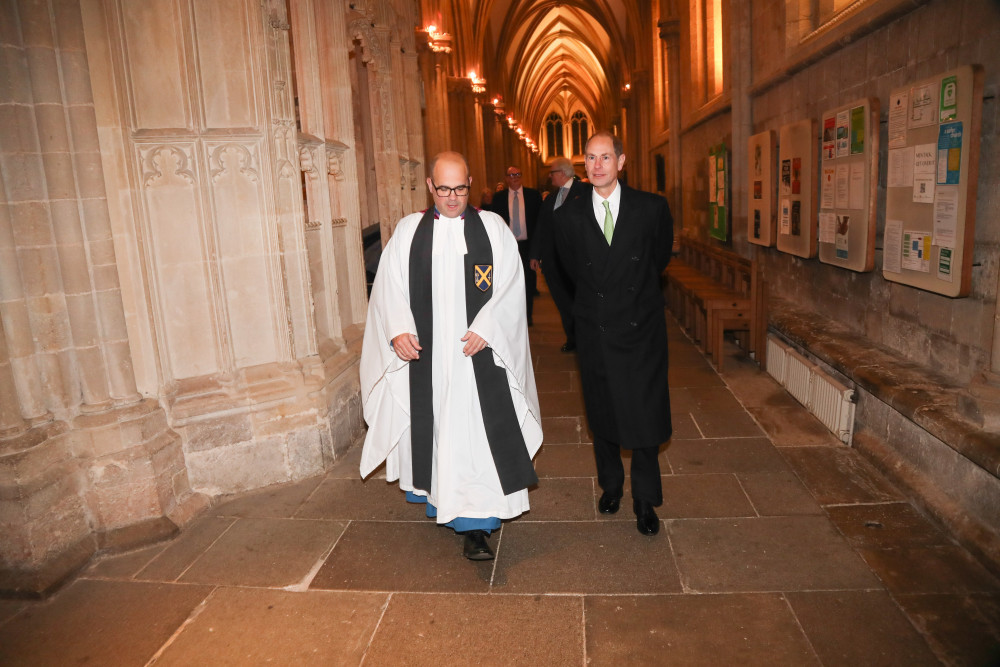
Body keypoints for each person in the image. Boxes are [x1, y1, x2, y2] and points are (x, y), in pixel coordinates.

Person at [359, 151, 542, 561]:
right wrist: (398, 330)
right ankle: (445, 501)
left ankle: (477, 526)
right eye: (444, 189)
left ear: (470, 183)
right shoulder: (409, 232)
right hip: (431, 360)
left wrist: (487, 326)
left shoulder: (493, 230)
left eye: (460, 188)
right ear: (430, 186)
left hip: (479, 359)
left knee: (478, 438)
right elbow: (388, 290)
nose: (453, 197)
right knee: (440, 433)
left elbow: (512, 287)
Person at [553, 131, 673, 536]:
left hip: (641, 329)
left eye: (606, 157)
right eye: (590, 158)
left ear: (621, 162)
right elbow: (573, 270)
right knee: (602, 412)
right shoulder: (568, 215)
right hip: (596, 328)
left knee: (644, 415)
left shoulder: (651, 209)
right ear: (584, 164)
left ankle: (645, 499)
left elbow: (656, 260)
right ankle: (611, 485)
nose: (598, 165)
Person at [530, 157, 591, 352]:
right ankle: (572, 338)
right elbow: (541, 227)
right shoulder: (551, 198)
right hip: (552, 261)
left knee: (579, 301)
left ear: (563, 173)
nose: (550, 176)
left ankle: (586, 338)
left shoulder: (585, 192)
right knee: (563, 302)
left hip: (576, 261)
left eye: (552, 172)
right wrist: (535, 254)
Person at [488, 166, 542, 325]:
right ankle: (512, 315)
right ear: (506, 178)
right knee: (508, 281)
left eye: (518, 174)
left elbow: (540, 224)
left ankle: (527, 315)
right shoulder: (498, 198)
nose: (515, 177)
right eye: (511, 175)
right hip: (508, 246)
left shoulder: (533, 196)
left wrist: (537, 253)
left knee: (528, 281)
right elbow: (495, 223)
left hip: (528, 245)